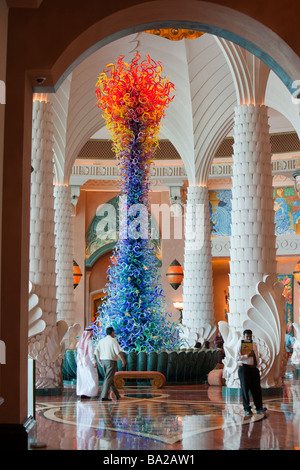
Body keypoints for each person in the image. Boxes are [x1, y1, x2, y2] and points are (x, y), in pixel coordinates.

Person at [236, 329, 267, 416]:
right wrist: (246, 356)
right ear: (244, 336)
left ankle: (259, 407)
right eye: (247, 336)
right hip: (244, 368)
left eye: (250, 336)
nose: (249, 338)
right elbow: (236, 358)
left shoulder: (253, 344)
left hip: (253, 368)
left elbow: (256, 355)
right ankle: (246, 408)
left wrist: (257, 365)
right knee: (245, 389)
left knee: (256, 388)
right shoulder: (240, 344)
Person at [95, 326, 126, 402]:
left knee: (110, 379)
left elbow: (97, 352)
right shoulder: (113, 340)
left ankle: (117, 395)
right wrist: (123, 360)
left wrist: (99, 361)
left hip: (103, 361)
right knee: (108, 379)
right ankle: (104, 396)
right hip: (111, 361)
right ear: (112, 332)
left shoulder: (101, 341)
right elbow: (118, 352)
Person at [76, 327, 99, 399]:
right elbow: (90, 353)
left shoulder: (80, 342)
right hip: (88, 363)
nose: (92, 334)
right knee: (91, 377)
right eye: (92, 332)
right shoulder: (89, 342)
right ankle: (90, 392)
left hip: (81, 364)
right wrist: (94, 362)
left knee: (83, 378)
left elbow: (78, 354)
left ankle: (82, 392)